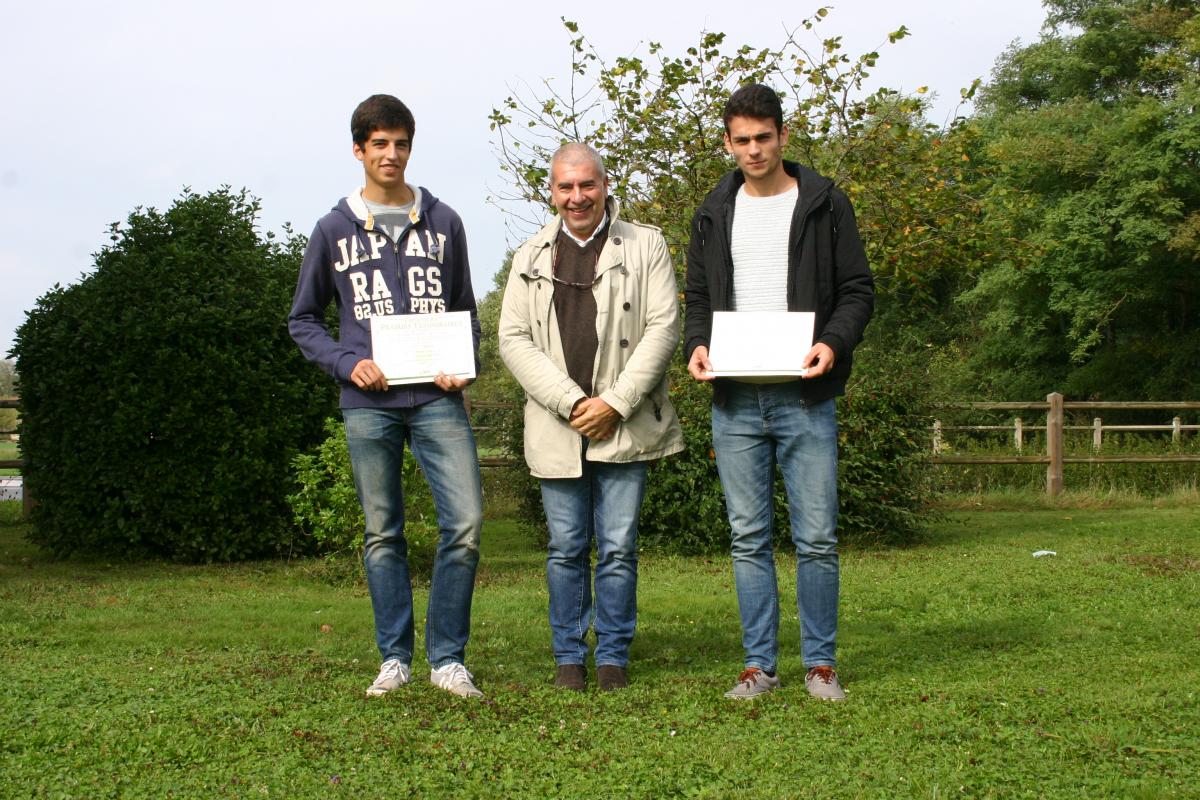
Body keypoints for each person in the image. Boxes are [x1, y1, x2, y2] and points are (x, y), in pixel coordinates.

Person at [288, 94, 484, 699]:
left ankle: (447, 659)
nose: (391, 154)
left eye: (400, 143)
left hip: (437, 400)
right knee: (382, 533)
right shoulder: (333, 229)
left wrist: (463, 366)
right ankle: (395, 658)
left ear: (410, 148)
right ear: (358, 150)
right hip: (368, 406)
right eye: (379, 144)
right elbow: (303, 321)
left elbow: (464, 311)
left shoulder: (445, 222)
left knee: (466, 523)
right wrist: (349, 364)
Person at [684, 84, 874, 701]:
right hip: (736, 401)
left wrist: (833, 344)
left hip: (806, 397)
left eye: (764, 137)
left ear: (783, 136)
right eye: (742, 140)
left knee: (816, 537)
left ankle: (821, 665)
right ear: (727, 143)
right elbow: (698, 299)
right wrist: (697, 345)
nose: (754, 150)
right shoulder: (713, 212)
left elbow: (857, 290)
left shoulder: (826, 203)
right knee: (748, 538)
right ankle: (758, 667)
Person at [498, 142, 683, 690]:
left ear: (604, 186)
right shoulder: (529, 255)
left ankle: (613, 657)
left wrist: (615, 404)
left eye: (587, 185)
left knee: (619, 548)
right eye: (566, 187)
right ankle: (568, 657)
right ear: (552, 192)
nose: (577, 197)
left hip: (624, 423)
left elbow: (664, 327)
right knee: (565, 549)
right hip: (558, 424)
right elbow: (512, 339)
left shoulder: (646, 244)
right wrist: (573, 403)